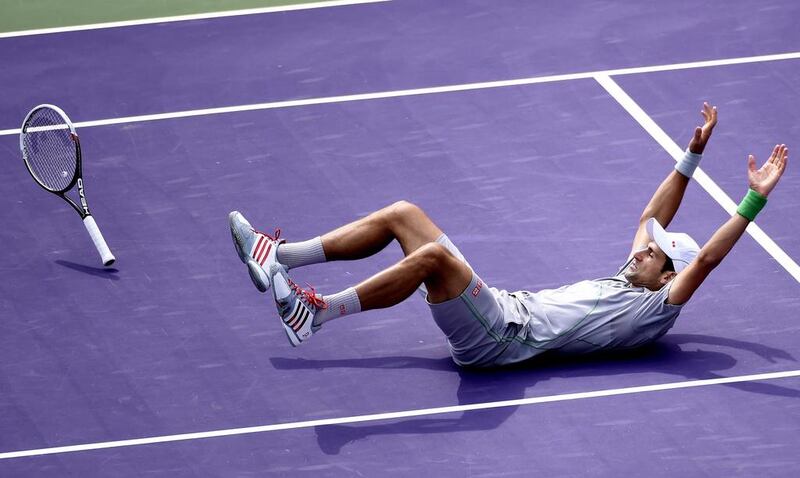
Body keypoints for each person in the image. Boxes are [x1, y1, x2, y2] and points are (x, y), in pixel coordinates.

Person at [228, 102, 789, 368]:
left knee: (430, 258)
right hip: (498, 307)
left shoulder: (654, 309)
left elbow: (708, 259)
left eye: (655, 252)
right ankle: (279, 254)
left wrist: (754, 198)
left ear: (670, 276)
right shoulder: (632, 275)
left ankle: (318, 314)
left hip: (501, 339)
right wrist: (693, 155)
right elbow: (651, 213)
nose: (644, 244)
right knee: (404, 212)